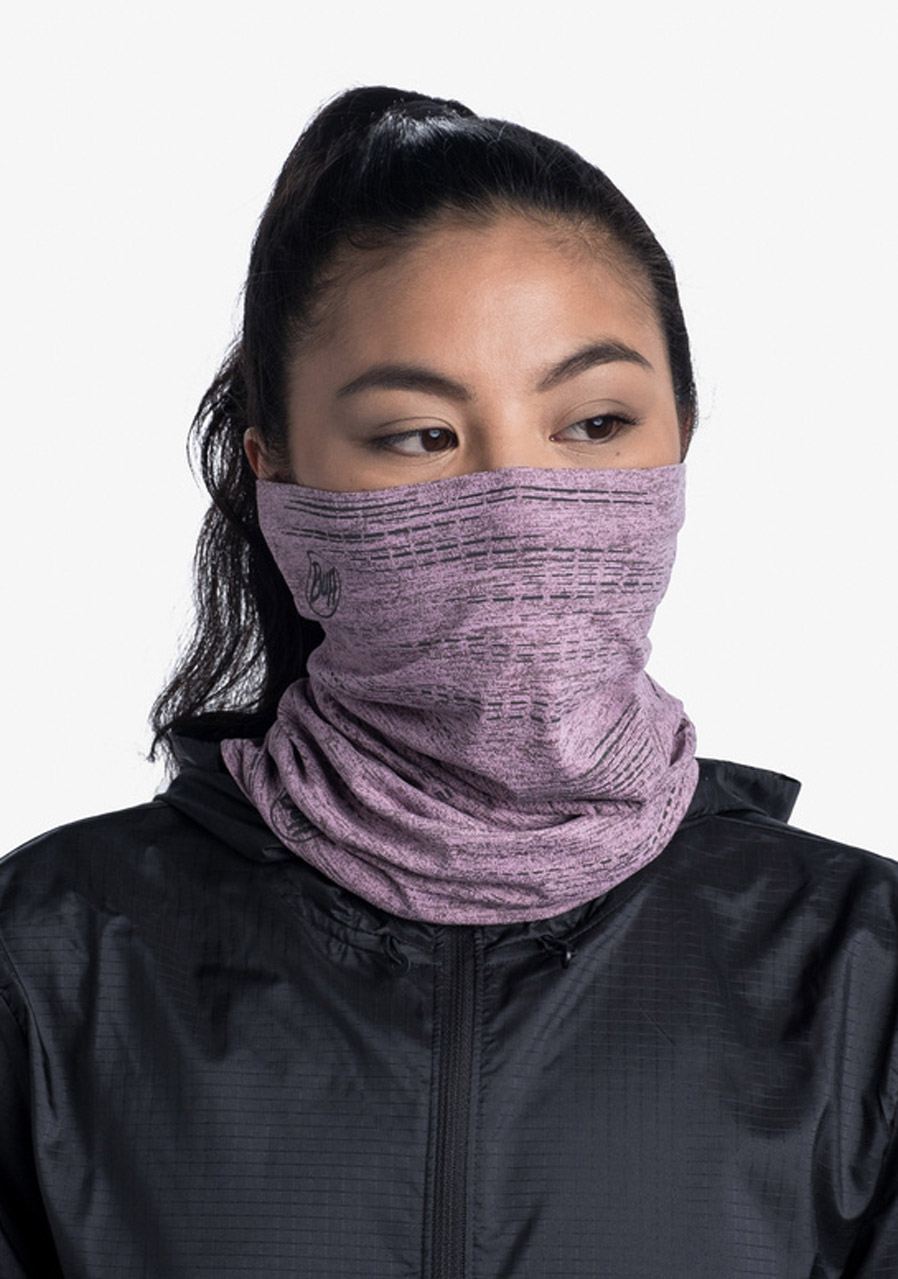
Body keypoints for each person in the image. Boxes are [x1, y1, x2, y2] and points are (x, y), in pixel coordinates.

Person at [1, 86, 896, 1279]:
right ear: (276, 476)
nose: (519, 503)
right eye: (419, 435)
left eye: (593, 424)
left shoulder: (860, 975)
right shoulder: (51, 963)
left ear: (680, 439)